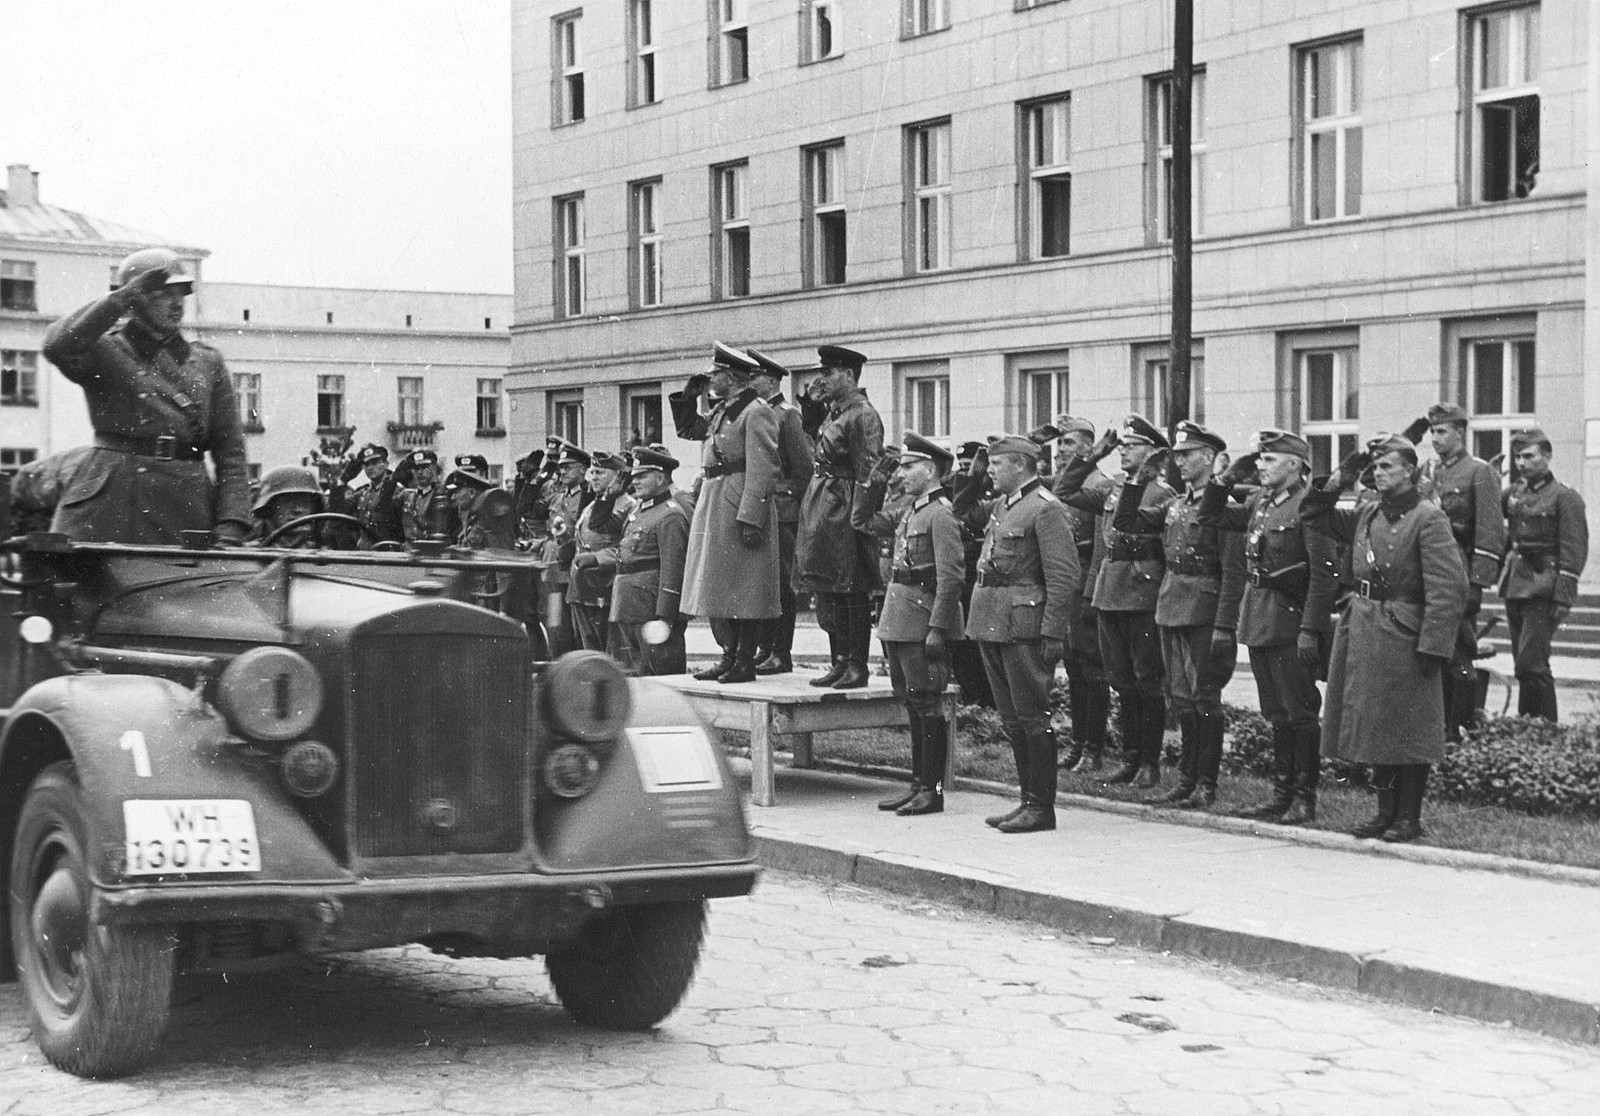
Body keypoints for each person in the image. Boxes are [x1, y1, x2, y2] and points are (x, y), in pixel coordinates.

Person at [1302, 434, 1469, 842]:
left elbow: (1449, 587)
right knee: (1376, 724)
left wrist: (1434, 644)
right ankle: (1384, 813)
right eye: (1374, 467)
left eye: (1386, 466)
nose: (1378, 473)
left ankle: (1408, 818)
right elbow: (1312, 514)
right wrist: (1341, 476)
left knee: (1407, 728)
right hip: (1364, 629)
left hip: (1406, 631)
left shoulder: (1428, 517)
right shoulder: (1368, 512)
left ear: (1409, 471)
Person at [40, 247, 250, 545]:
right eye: (161, 294)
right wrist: (118, 300)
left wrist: (232, 524)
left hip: (185, 502)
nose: (176, 303)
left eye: (180, 292)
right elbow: (55, 346)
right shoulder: (103, 350)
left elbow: (230, 453)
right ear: (134, 302)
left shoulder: (207, 362)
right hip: (111, 501)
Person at [1199, 431, 1338, 824]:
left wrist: (1310, 630)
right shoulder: (1260, 502)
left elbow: (1324, 576)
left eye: (1270, 459)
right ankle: (1281, 795)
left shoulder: (1308, 507)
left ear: (1295, 465)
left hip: (1292, 620)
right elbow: (1210, 515)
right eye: (1260, 459)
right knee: (1276, 711)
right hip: (1260, 615)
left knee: (1300, 710)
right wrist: (1223, 481)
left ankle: (1303, 798)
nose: (1261, 466)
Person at [1112, 422, 1246, 809]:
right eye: (1177, 455)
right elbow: (1126, 524)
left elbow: (1232, 573)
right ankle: (1186, 780)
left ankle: (1206, 783)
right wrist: (1138, 478)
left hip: (1204, 609)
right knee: (1182, 698)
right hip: (1171, 606)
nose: (1180, 462)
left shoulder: (1223, 509)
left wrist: (1224, 625)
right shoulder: (1176, 505)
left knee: (1205, 698)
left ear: (1209, 459)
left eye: (1188, 455)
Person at [963, 435, 1078, 833]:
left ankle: (1041, 807)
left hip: (1024, 626)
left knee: (1032, 717)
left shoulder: (1046, 509)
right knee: (1012, 720)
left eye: (996, 465)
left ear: (1019, 466)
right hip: (993, 621)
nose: (990, 471)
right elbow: (963, 509)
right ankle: (1027, 799)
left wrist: (1053, 632)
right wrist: (973, 475)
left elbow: (1063, 577)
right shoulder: (1003, 505)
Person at [1056, 416, 1174, 788]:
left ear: (1153, 454)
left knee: (1146, 679)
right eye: (1121, 445)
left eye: (1133, 445)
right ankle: (1130, 757)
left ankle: (1149, 762)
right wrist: (1092, 456)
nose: (1124, 450)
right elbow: (1066, 490)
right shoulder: (1113, 489)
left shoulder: (1163, 494)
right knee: (1122, 680)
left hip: (1142, 592)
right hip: (1110, 591)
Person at [854, 434, 966, 816]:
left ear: (930, 470)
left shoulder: (940, 514)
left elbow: (951, 577)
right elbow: (861, 520)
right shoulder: (912, 510)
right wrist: (876, 480)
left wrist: (938, 628)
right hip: (900, 617)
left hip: (922, 621)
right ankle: (918, 784)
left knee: (927, 703)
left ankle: (931, 791)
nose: (901, 473)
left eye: (908, 466)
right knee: (913, 704)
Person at [680, 342, 783, 684]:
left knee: (745, 586)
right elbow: (690, 431)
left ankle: (744, 659)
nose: (711, 380)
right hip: (716, 497)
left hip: (737, 501)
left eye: (715, 375)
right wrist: (687, 397)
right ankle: (728, 656)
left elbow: (763, 468)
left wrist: (751, 516)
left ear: (731, 376)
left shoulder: (756, 412)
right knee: (723, 585)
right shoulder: (725, 410)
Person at [793, 344, 885, 689]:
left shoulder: (862, 414)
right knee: (831, 587)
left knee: (851, 588)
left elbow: (870, 470)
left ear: (848, 375)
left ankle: (856, 665)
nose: (822, 380)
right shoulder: (837, 411)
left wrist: (861, 517)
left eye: (829, 373)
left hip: (844, 506)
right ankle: (839, 662)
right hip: (826, 504)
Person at [1416, 402, 1506, 738]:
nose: (1436, 438)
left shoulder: (1478, 472)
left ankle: (1458, 730)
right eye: (1432, 432)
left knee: (1458, 656)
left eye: (1442, 431)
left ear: (1460, 432)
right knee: (1435, 651)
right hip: (1428, 575)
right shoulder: (1430, 473)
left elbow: (1489, 532)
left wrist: (1476, 584)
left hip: (1459, 574)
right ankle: (1438, 728)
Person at [1501, 428, 1589, 721]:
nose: (1522, 463)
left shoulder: (1564, 496)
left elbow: (1573, 549)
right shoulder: (1515, 492)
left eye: (1529, 456)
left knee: (1530, 664)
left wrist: (1563, 598)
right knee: (1526, 663)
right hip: (1515, 583)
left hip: (1543, 587)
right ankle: (1535, 726)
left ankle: (1538, 729)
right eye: (1518, 456)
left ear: (1547, 456)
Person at [589, 447, 690, 676]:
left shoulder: (670, 515)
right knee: (633, 673)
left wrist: (666, 616)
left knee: (660, 674)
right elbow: (599, 525)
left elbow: (673, 569)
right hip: (628, 603)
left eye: (642, 476)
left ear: (661, 478)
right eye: (634, 477)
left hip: (651, 608)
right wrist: (608, 496)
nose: (636, 482)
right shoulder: (637, 511)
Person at [746, 348, 816, 675]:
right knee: (762, 582)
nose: (750, 382)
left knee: (781, 584)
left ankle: (781, 651)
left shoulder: (787, 414)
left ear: (771, 380)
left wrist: (802, 513)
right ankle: (765, 647)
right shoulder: (755, 412)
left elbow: (802, 467)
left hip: (784, 508)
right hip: (763, 505)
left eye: (755, 376)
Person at [1050, 416, 1114, 771]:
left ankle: (1094, 748)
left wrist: (1090, 595)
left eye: (1069, 444)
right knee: (1073, 669)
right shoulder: (1063, 483)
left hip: (1087, 585)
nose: (1061, 451)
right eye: (1059, 444)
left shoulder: (1100, 485)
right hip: (1067, 587)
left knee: (1093, 669)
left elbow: (1101, 548)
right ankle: (1077, 743)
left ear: (1089, 449)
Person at [565, 451, 635, 652]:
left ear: (617, 476)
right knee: (588, 649)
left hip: (606, 586)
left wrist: (597, 558)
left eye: (600, 473)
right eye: (592, 472)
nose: (593, 477)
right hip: (581, 587)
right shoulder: (594, 504)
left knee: (609, 650)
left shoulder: (627, 505)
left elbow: (628, 547)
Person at [947, 441, 995, 709]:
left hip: (980, 567)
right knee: (961, 640)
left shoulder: (992, 492)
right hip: (961, 569)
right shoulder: (955, 486)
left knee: (979, 639)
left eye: (970, 466)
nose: (964, 471)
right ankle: (971, 693)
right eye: (962, 466)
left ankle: (987, 698)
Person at [250, 466, 326, 548]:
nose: (298, 509)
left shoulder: (326, 553)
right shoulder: (248, 553)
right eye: (288, 501)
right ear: (268, 508)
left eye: (306, 501)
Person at [347, 444, 405, 547]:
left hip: (388, 551)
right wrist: (344, 479)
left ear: (386, 464)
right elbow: (341, 507)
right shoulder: (363, 492)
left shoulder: (395, 491)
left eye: (374, 463)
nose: (370, 468)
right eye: (366, 464)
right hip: (365, 551)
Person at [399, 449, 459, 542]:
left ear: (434, 468)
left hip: (433, 550)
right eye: (416, 468)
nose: (420, 472)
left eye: (425, 467)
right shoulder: (407, 496)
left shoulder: (443, 495)